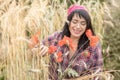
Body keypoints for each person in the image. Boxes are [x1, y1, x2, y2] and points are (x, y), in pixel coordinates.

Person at [37, 4, 103, 80]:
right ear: (68, 22)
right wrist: (40, 49)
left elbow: (98, 74)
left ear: (86, 26)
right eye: (75, 22)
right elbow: (31, 52)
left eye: (83, 23)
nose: (78, 26)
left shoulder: (93, 45)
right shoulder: (56, 37)